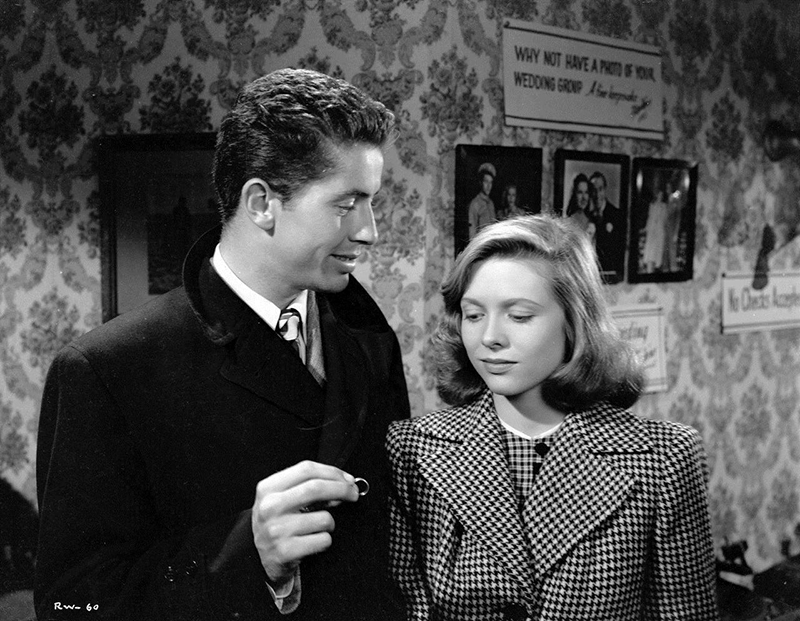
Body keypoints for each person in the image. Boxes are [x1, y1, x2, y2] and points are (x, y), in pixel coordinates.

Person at [35, 68, 410, 621]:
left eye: (371, 202)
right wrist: (247, 553)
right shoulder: (106, 369)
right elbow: (71, 605)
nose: (369, 231)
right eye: (345, 204)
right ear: (260, 203)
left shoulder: (370, 338)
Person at [386, 215, 718, 620]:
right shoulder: (414, 450)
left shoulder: (664, 458)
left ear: (574, 323)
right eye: (473, 315)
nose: (490, 337)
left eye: (519, 316)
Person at [589, 171, 626, 280]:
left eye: (600, 189)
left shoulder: (617, 215)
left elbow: (620, 250)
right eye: (594, 190)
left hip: (610, 276)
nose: (597, 195)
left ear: (605, 190)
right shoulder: (587, 216)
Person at [467, 162, 497, 239]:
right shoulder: (475, 204)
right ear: (480, 182)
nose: (488, 186)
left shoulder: (491, 203)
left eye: (490, 182)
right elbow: (472, 232)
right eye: (486, 181)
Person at [642, 185, 668, 272]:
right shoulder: (652, 205)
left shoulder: (664, 206)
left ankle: (657, 267)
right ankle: (649, 267)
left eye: (662, 195)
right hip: (652, 229)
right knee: (651, 249)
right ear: (656, 195)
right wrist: (647, 227)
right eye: (659, 195)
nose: (660, 196)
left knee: (658, 249)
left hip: (660, 229)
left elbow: (665, 219)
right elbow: (650, 217)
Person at [564, 172, 596, 242]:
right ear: (574, 195)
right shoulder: (568, 223)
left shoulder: (591, 222)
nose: (584, 197)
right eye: (580, 192)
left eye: (586, 192)